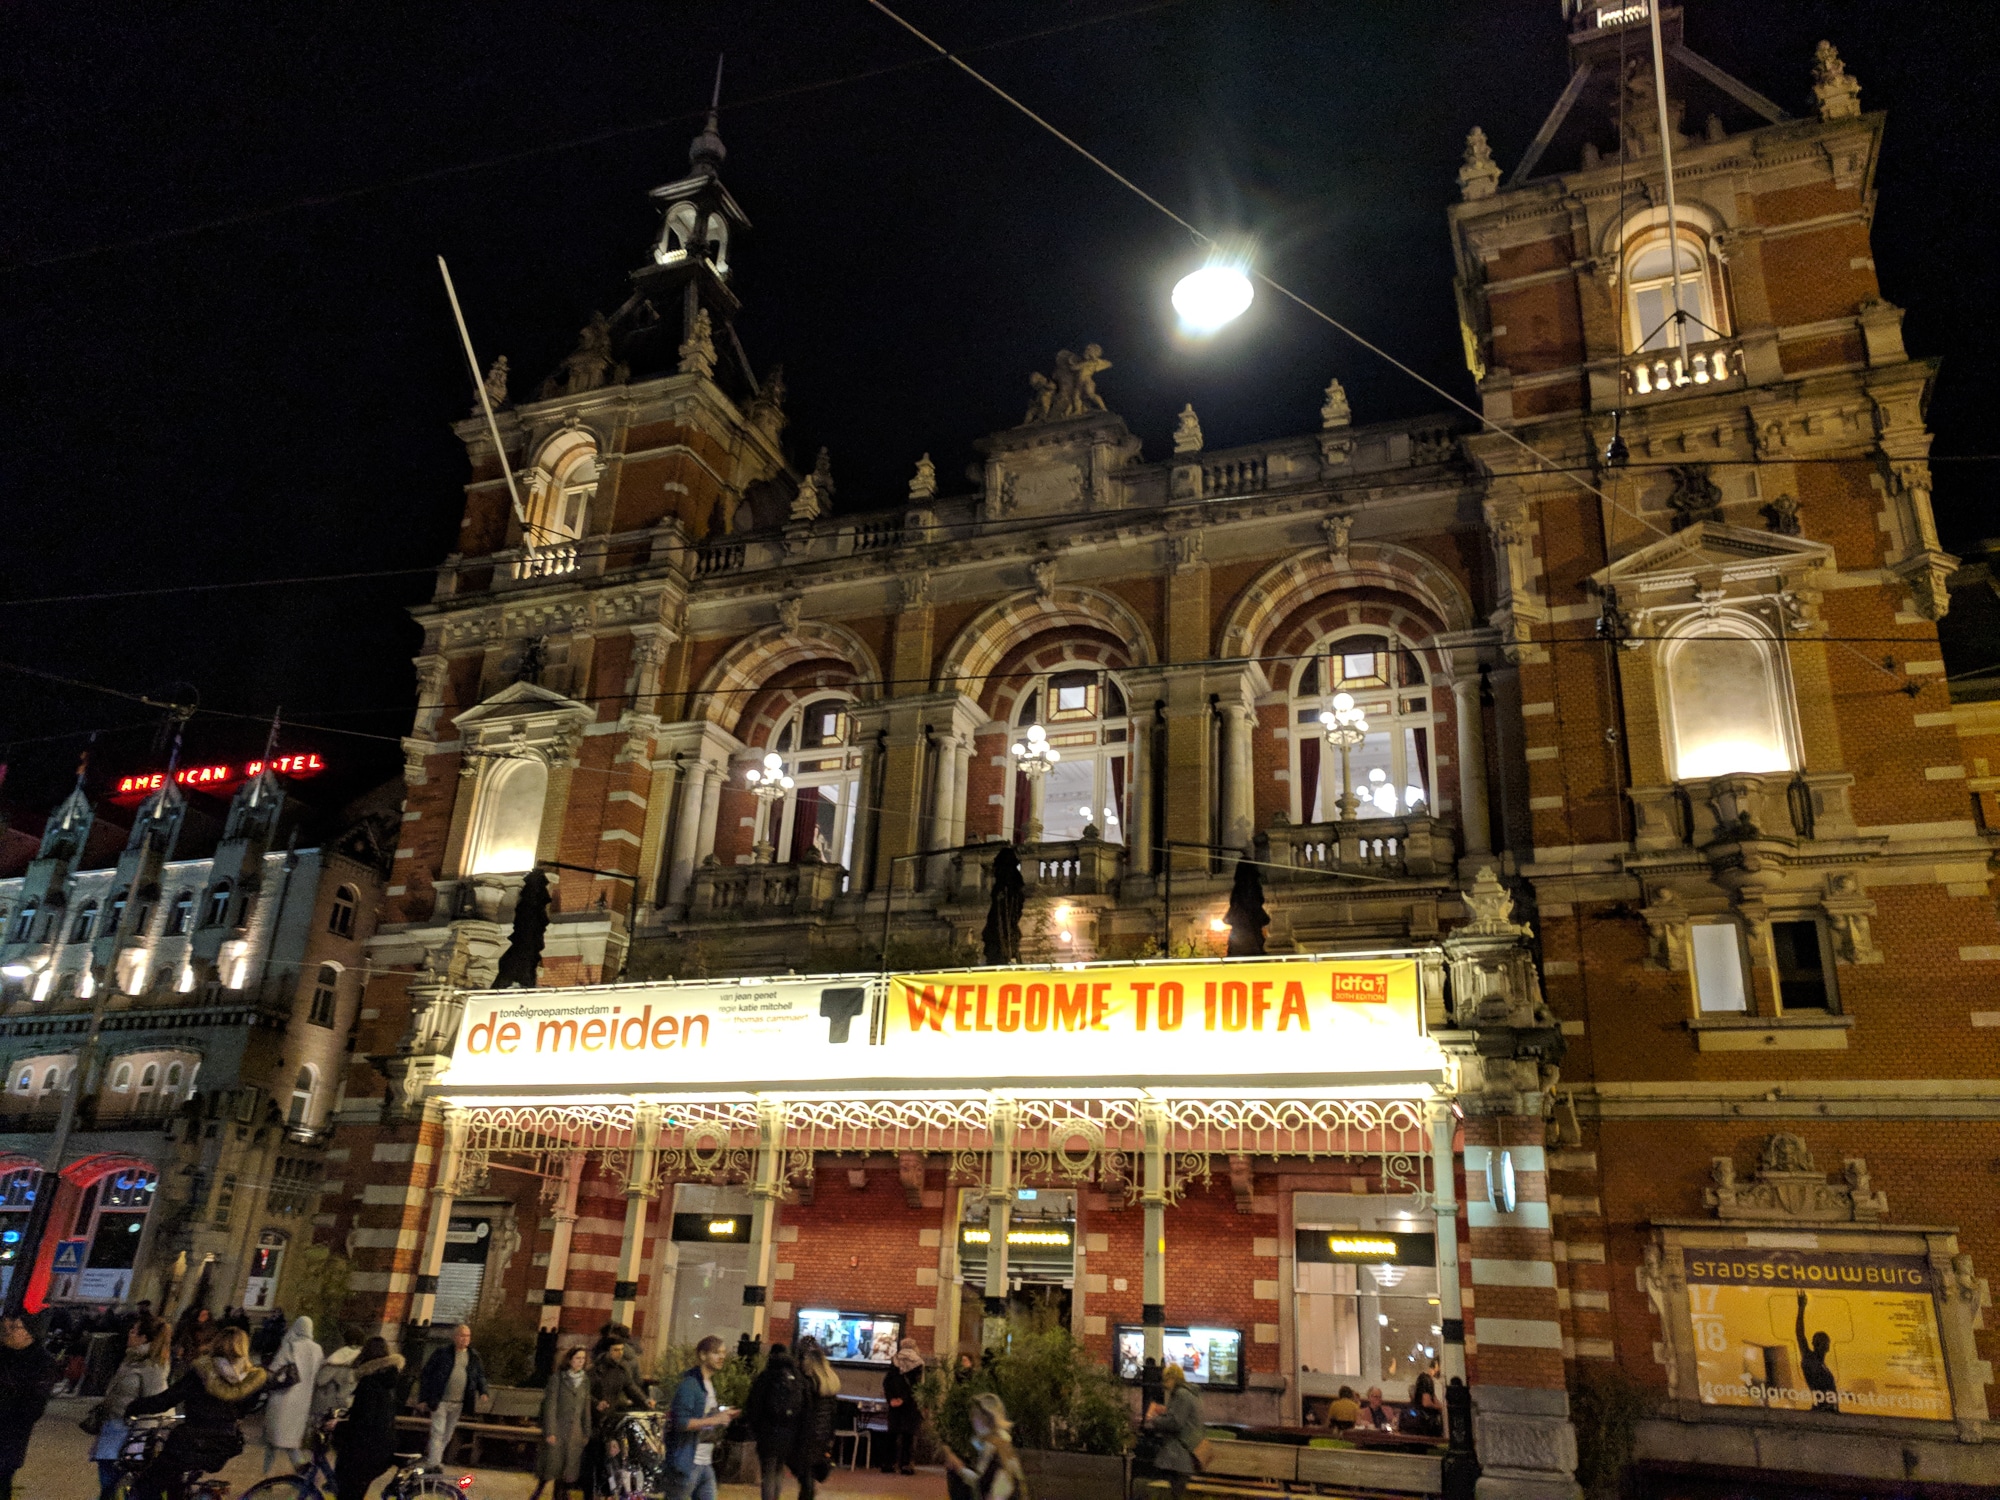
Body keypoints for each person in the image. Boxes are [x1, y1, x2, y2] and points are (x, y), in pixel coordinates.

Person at [125, 1325, 268, 1500]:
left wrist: (134, 1407)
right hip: (225, 1443)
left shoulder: (202, 1371)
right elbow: (246, 1409)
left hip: (191, 1441)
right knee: (175, 1481)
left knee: (146, 1486)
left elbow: (168, 1399)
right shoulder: (251, 1379)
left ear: (216, 1343)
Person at [93, 1314, 171, 1500]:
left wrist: (137, 1446)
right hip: (114, 1428)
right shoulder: (133, 1358)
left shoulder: (152, 1366)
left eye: (134, 1331)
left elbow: (154, 1407)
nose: (130, 1333)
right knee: (109, 1484)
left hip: (128, 1433)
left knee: (115, 1485)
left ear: (144, 1338)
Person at [661, 1335, 735, 1500]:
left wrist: (721, 1415)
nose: (721, 1357)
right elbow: (681, 1422)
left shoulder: (708, 1384)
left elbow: (704, 1417)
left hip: (705, 1462)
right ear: (702, 1355)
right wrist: (715, 1420)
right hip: (687, 1462)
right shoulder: (690, 1384)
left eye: (723, 1353)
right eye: (716, 1353)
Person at [331, 1337, 403, 1500]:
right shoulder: (388, 1379)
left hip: (366, 1450)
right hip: (383, 1446)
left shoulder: (369, 1382)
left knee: (348, 1490)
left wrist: (338, 1426)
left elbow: (363, 1420)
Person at [415, 1322, 489, 1470]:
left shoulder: (473, 1356)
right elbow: (427, 1374)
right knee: (438, 1431)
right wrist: (423, 1398)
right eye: (462, 1335)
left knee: (448, 1434)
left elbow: (479, 1375)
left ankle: (434, 1459)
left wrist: (483, 1391)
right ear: (455, 1337)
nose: (465, 1339)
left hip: (459, 1402)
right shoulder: (442, 1353)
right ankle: (434, 1463)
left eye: (467, 1336)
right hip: (440, 1400)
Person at [0, 1314, 58, 1499]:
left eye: (15, 1328)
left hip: (10, 1435)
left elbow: (34, 1405)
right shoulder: (3, 1353)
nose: (8, 1332)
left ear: (29, 1333)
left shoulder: (42, 1362)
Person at [260, 1313, 324, 1471]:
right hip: (303, 1399)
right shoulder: (317, 1349)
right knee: (291, 1437)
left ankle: (266, 1471)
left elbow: (275, 1368)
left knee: (273, 1437)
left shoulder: (291, 1345)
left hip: (283, 1396)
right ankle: (299, 1465)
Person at [529, 1345, 592, 1500]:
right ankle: (538, 1492)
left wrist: (586, 1431)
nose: (580, 1362)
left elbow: (586, 1407)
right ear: (570, 1360)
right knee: (551, 1465)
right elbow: (550, 1405)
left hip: (575, 1431)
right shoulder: (558, 1378)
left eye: (583, 1359)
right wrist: (550, 1430)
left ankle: (561, 1494)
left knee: (568, 1467)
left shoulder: (585, 1381)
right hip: (558, 1428)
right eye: (577, 1358)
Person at [745, 1342, 806, 1500]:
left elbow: (754, 1404)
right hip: (788, 1433)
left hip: (768, 1432)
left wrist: (756, 1429)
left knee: (768, 1473)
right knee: (779, 1470)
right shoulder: (796, 1377)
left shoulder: (767, 1375)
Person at [941, 1391, 1026, 1500]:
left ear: (987, 1418)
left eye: (975, 1415)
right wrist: (959, 1468)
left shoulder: (999, 1447)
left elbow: (1003, 1486)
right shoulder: (994, 1443)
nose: (972, 1419)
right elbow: (980, 1481)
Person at [1142, 1361, 1204, 1499]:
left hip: (1178, 1456)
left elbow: (1175, 1423)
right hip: (1183, 1455)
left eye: (1166, 1380)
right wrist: (1165, 1412)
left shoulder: (1182, 1394)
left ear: (1172, 1378)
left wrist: (1154, 1419)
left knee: (1167, 1489)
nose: (1164, 1384)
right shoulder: (1189, 1394)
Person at [792, 1336, 841, 1500]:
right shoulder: (830, 1381)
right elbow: (833, 1413)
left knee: (805, 1475)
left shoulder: (809, 1382)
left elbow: (803, 1409)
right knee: (809, 1474)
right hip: (823, 1434)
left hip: (808, 1433)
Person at [310, 1325, 367, 1430]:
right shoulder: (364, 1360)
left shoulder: (337, 1358)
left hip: (329, 1405)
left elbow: (320, 1380)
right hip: (351, 1406)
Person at [880, 1337, 924, 1475]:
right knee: (908, 1436)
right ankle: (905, 1465)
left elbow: (887, 1382)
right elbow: (917, 1386)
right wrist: (904, 1399)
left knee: (892, 1435)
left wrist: (891, 1399)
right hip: (910, 1404)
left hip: (894, 1405)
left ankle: (888, 1464)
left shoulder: (895, 1360)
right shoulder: (918, 1362)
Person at [1796, 1291, 1839, 1410]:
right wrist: (1801, 1308)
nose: (1821, 1345)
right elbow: (1800, 1335)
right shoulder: (1810, 1359)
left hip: (1831, 1411)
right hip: (1820, 1411)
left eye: (1824, 1342)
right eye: (1818, 1342)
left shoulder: (1824, 1366)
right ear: (1814, 1344)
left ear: (1827, 1346)